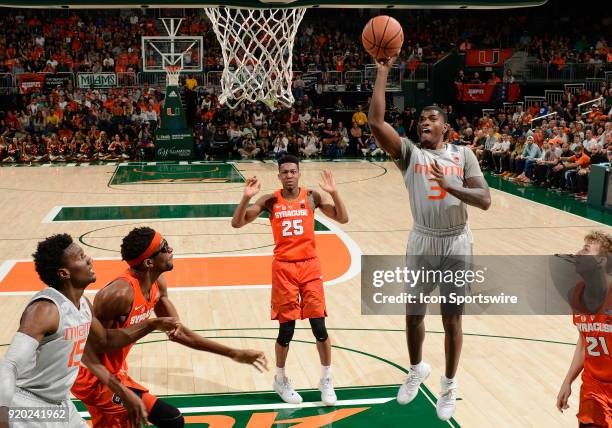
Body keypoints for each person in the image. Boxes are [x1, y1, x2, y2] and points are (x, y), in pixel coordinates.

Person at [369, 56, 491, 421]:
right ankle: (416, 368)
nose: (425, 122)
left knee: (452, 318)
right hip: (422, 239)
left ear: (445, 127)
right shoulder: (410, 155)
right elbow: (376, 121)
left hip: (456, 240)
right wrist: (382, 71)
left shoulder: (464, 155)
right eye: (421, 119)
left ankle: (449, 384)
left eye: (432, 118)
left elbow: (485, 200)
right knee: (412, 315)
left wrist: (449, 184)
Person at [71, 227, 268, 428]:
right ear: (149, 262)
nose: (171, 249)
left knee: (162, 421)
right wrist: (150, 325)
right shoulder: (118, 295)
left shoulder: (157, 284)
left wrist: (234, 353)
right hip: (93, 377)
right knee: (168, 419)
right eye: (164, 247)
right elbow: (98, 345)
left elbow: (178, 331)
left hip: (115, 372)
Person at [0, 234, 180, 428]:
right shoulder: (46, 310)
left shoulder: (83, 305)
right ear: (64, 273)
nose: (89, 259)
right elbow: (9, 365)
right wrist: (3, 417)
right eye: (80, 257)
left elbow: (104, 341)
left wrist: (151, 325)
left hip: (60, 404)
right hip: (26, 405)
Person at [231, 155, 349, 406]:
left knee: (319, 327)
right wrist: (245, 197)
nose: (289, 176)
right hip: (283, 269)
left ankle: (327, 378)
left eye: (293, 171)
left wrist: (335, 192)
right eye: (284, 172)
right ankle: (281, 379)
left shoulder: (312, 197)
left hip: (309, 266)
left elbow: (343, 218)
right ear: (279, 176)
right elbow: (237, 223)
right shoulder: (270, 200)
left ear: (298, 173)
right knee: (287, 329)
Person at [556, 231, 611, 428]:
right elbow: (584, 342)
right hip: (593, 387)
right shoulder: (578, 295)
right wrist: (567, 381)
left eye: (586, 250)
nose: (578, 253)